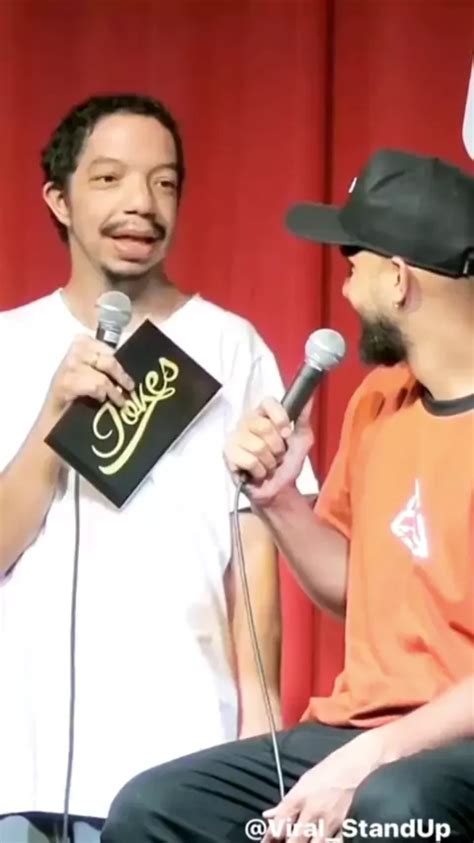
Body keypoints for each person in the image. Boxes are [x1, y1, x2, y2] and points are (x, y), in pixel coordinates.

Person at [100, 148, 474, 843]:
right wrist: (278, 500)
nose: (345, 290)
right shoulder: (378, 401)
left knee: (396, 808)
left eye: (353, 264)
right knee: (155, 809)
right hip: (358, 730)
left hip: (450, 743)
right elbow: (352, 587)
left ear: (398, 280)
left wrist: (378, 753)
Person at [0, 93, 317, 843]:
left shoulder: (232, 346)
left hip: (180, 754)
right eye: (110, 178)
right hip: (24, 760)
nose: (141, 203)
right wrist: (50, 420)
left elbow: (255, 566)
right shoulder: (10, 345)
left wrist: (260, 745)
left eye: (164, 182)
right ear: (59, 199)